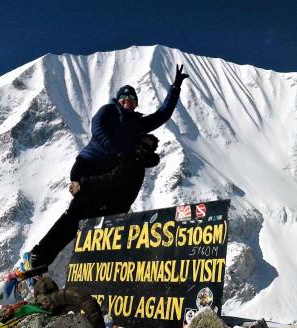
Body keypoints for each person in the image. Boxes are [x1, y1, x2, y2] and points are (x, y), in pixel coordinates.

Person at [29, 65, 189, 271]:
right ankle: (40, 254)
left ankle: (56, 261)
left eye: (132, 99)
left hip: (105, 174)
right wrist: (120, 153)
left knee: (93, 216)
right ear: (118, 100)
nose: (128, 102)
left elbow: (162, 115)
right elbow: (98, 130)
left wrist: (175, 88)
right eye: (124, 98)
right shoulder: (109, 111)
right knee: (77, 213)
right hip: (87, 166)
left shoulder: (137, 124)